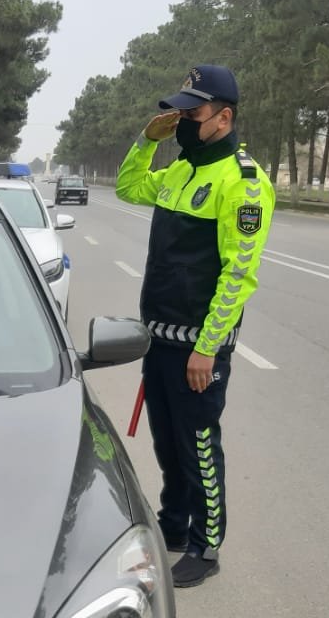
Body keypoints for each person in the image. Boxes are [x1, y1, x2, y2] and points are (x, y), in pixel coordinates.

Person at [116, 64, 275, 587]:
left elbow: (238, 275)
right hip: (159, 339)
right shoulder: (181, 170)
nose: (181, 120)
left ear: (223, 118)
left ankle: (206, 548)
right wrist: (146, 140)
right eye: (178, 111)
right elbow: (128, 187)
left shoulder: (244, 183)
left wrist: (206, 349)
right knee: (167, 443)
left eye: (193, 112)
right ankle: (174, 528)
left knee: (199, 445)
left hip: (197, 350)